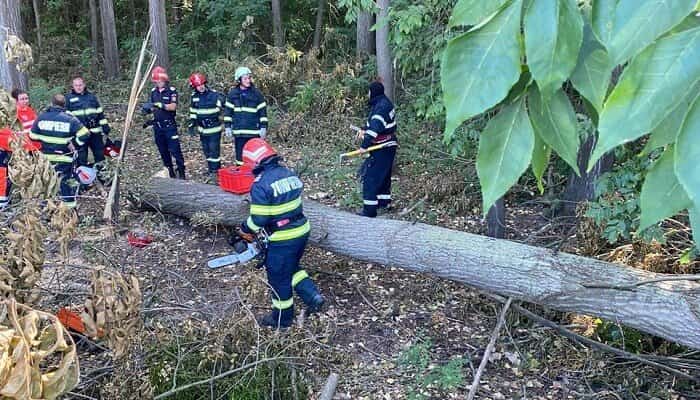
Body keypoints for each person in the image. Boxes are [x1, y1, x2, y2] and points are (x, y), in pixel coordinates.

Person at [237, 138, 324, 329]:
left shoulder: (260, 184)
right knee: (291, 265)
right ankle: (313, 297)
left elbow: (259, 219)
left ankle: (282, 319)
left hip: (283, 236)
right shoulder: (288, 173)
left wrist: (244, 229)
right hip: (301, 229)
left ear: (254, 162)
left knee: (278, 277)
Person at [29, 94, 89, 208]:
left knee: (46, 183)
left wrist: (44, 139)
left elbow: (32, 136)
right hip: (65, 157)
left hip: (45, 158)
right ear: (64, 104)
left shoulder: (42, 117)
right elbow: (85, 134)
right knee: (65, 184)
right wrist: (75, 144)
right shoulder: (70, 118)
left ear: (51, 103)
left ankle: (46, 209)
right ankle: (70, 212)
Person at [356, 81, 398, 218]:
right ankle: (383, 204)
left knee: (371, 178)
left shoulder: (380, 108)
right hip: (387, 146)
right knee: (383, 176)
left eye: (368, 92)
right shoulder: (383, 103)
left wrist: (363, 146)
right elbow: (377, 125)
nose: (367, 94)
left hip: (383, 147)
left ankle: (369, 211)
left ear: (373, 92)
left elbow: (374, 131)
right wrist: (364, 128)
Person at [142, 66, 186, 179]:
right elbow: (153, 107)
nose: (158, 83)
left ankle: (181, 171)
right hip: (158, 127)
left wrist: (161, 105)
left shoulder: (171, 91)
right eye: (156, 81)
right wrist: (147, 109)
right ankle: (169, 171)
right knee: (163, 151)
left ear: (164, 80)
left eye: (160, 81)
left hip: (169, 126)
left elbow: (173, 106)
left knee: (175, 150)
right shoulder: (153, 92)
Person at [1, 89, 38, 209]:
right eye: (22, 99)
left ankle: (28, 198)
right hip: (19, 151)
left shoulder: (30, 111)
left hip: (32, 149)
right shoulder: (13, 114)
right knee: (14, 175)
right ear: (15, 101)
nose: (25, 101)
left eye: (27, 98)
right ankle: (7, 201)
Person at [224, 66, 268, 165]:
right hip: (239, 134)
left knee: (254, 157)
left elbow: (263, 113)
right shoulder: (232, 94)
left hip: (253, 133)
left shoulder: (257, 94)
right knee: (240, 159)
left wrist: (263, 127)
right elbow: (228, 113)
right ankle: (241, 177)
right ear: (239, 80)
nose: (248, 80)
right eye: (245, 78)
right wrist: (227, 127)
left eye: (249, 78)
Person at [65, 77, 111, 169]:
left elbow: (99, 112)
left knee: (99, 155)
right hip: (80, 133)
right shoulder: (68, 99)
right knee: (81, 157)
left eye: (80, 85)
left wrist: (105, 125)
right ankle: (84, 180)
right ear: (73, 86)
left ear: (84, 85)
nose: (78, 87)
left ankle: (103, 176)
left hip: (95, 131)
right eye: (76, 85)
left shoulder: (92, 97)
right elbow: (67, 118)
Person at [188, 72, 223, 176]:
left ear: (205, 83)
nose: (201, 87)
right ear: (194, 87)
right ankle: (210, 169)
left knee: (214, 151)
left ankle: (216, 171)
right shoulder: (194, 97)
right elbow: (193, 111)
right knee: (206, 150)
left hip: (214, 128)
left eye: (202, 84)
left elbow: (223, 104)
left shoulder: (214, 94)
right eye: (198, 86)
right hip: (202, 129)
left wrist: (220, 102)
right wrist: (192, 123)